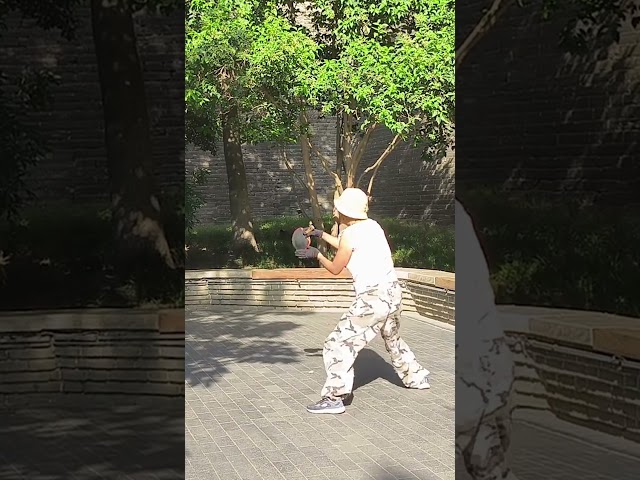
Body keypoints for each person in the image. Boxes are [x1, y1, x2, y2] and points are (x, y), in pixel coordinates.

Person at [295, 188, 431, 414]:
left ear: (346, 212)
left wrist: (316, 255)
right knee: (392, 338)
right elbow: (345, 245)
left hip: (372, 298)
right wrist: (320, 234)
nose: (335, 211)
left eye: (337, 208)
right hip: (392, 293)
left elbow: (336, 268)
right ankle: (416, 377)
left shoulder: (350, 234)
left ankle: (335, 397)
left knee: (336, 343)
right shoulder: (372, 226)